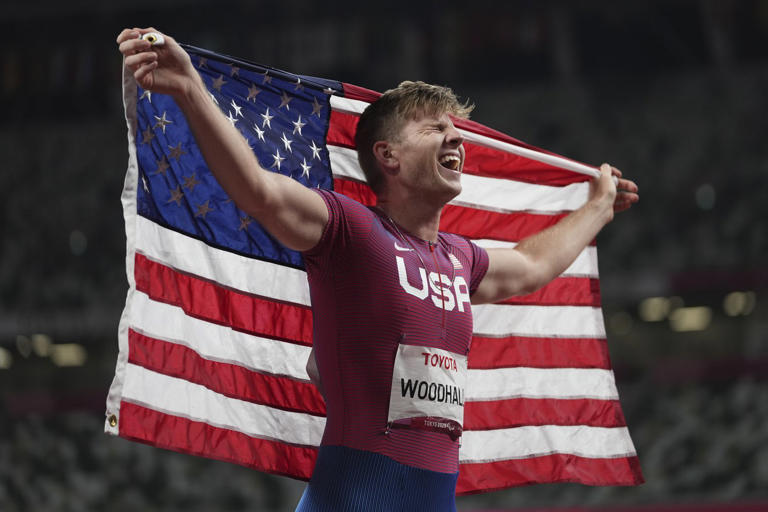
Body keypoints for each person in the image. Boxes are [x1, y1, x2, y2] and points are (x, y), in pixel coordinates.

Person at [117, 28, 639, 512]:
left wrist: (598, 206)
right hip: (352, 498)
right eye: (437, 128)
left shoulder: (461, 258)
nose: (457, 140)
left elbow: (530, 264)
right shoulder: (351, 229)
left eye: (456, 131)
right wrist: (188, 87)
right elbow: (258, 188)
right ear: (387, 155)